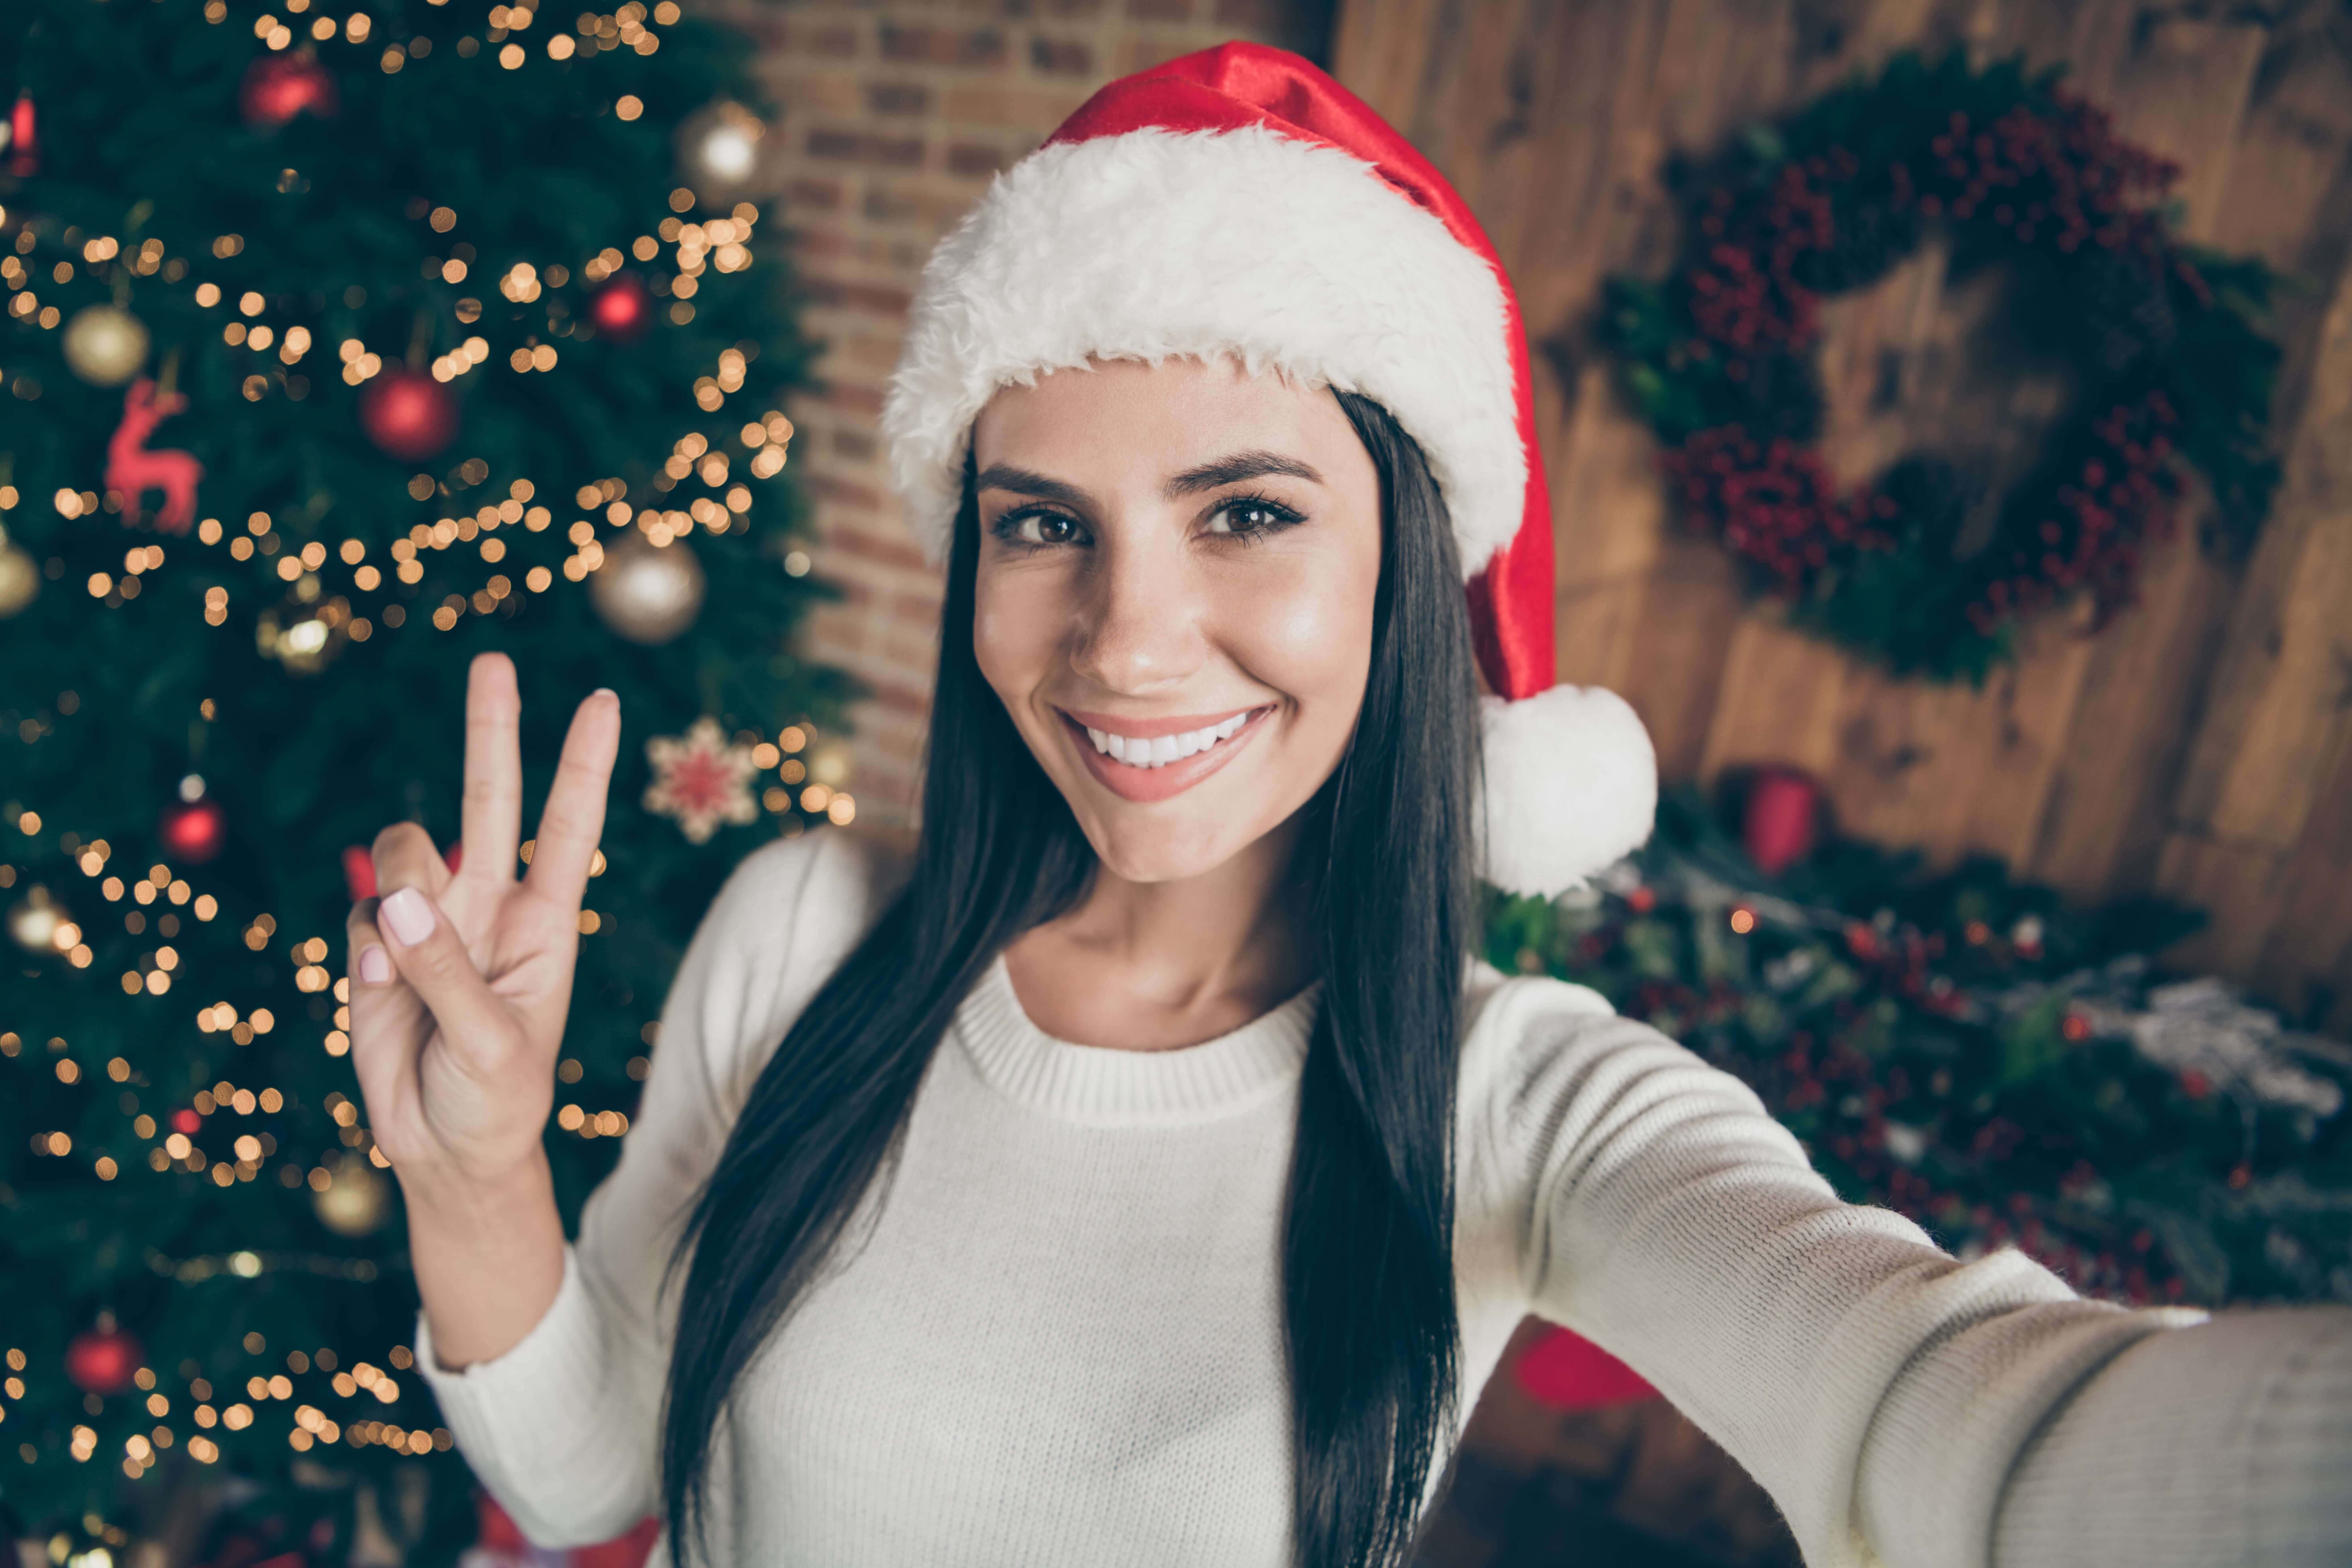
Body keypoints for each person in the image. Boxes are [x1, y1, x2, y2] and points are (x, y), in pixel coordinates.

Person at [344, 40, 2352, 1568]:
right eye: (1044, 523)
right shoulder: (800, 929)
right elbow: (593, 1465)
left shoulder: (1522, 1103)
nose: (1126, 643)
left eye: (1245, 513)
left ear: (1403, 573)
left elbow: (1960, 1421)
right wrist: (475, 1169)